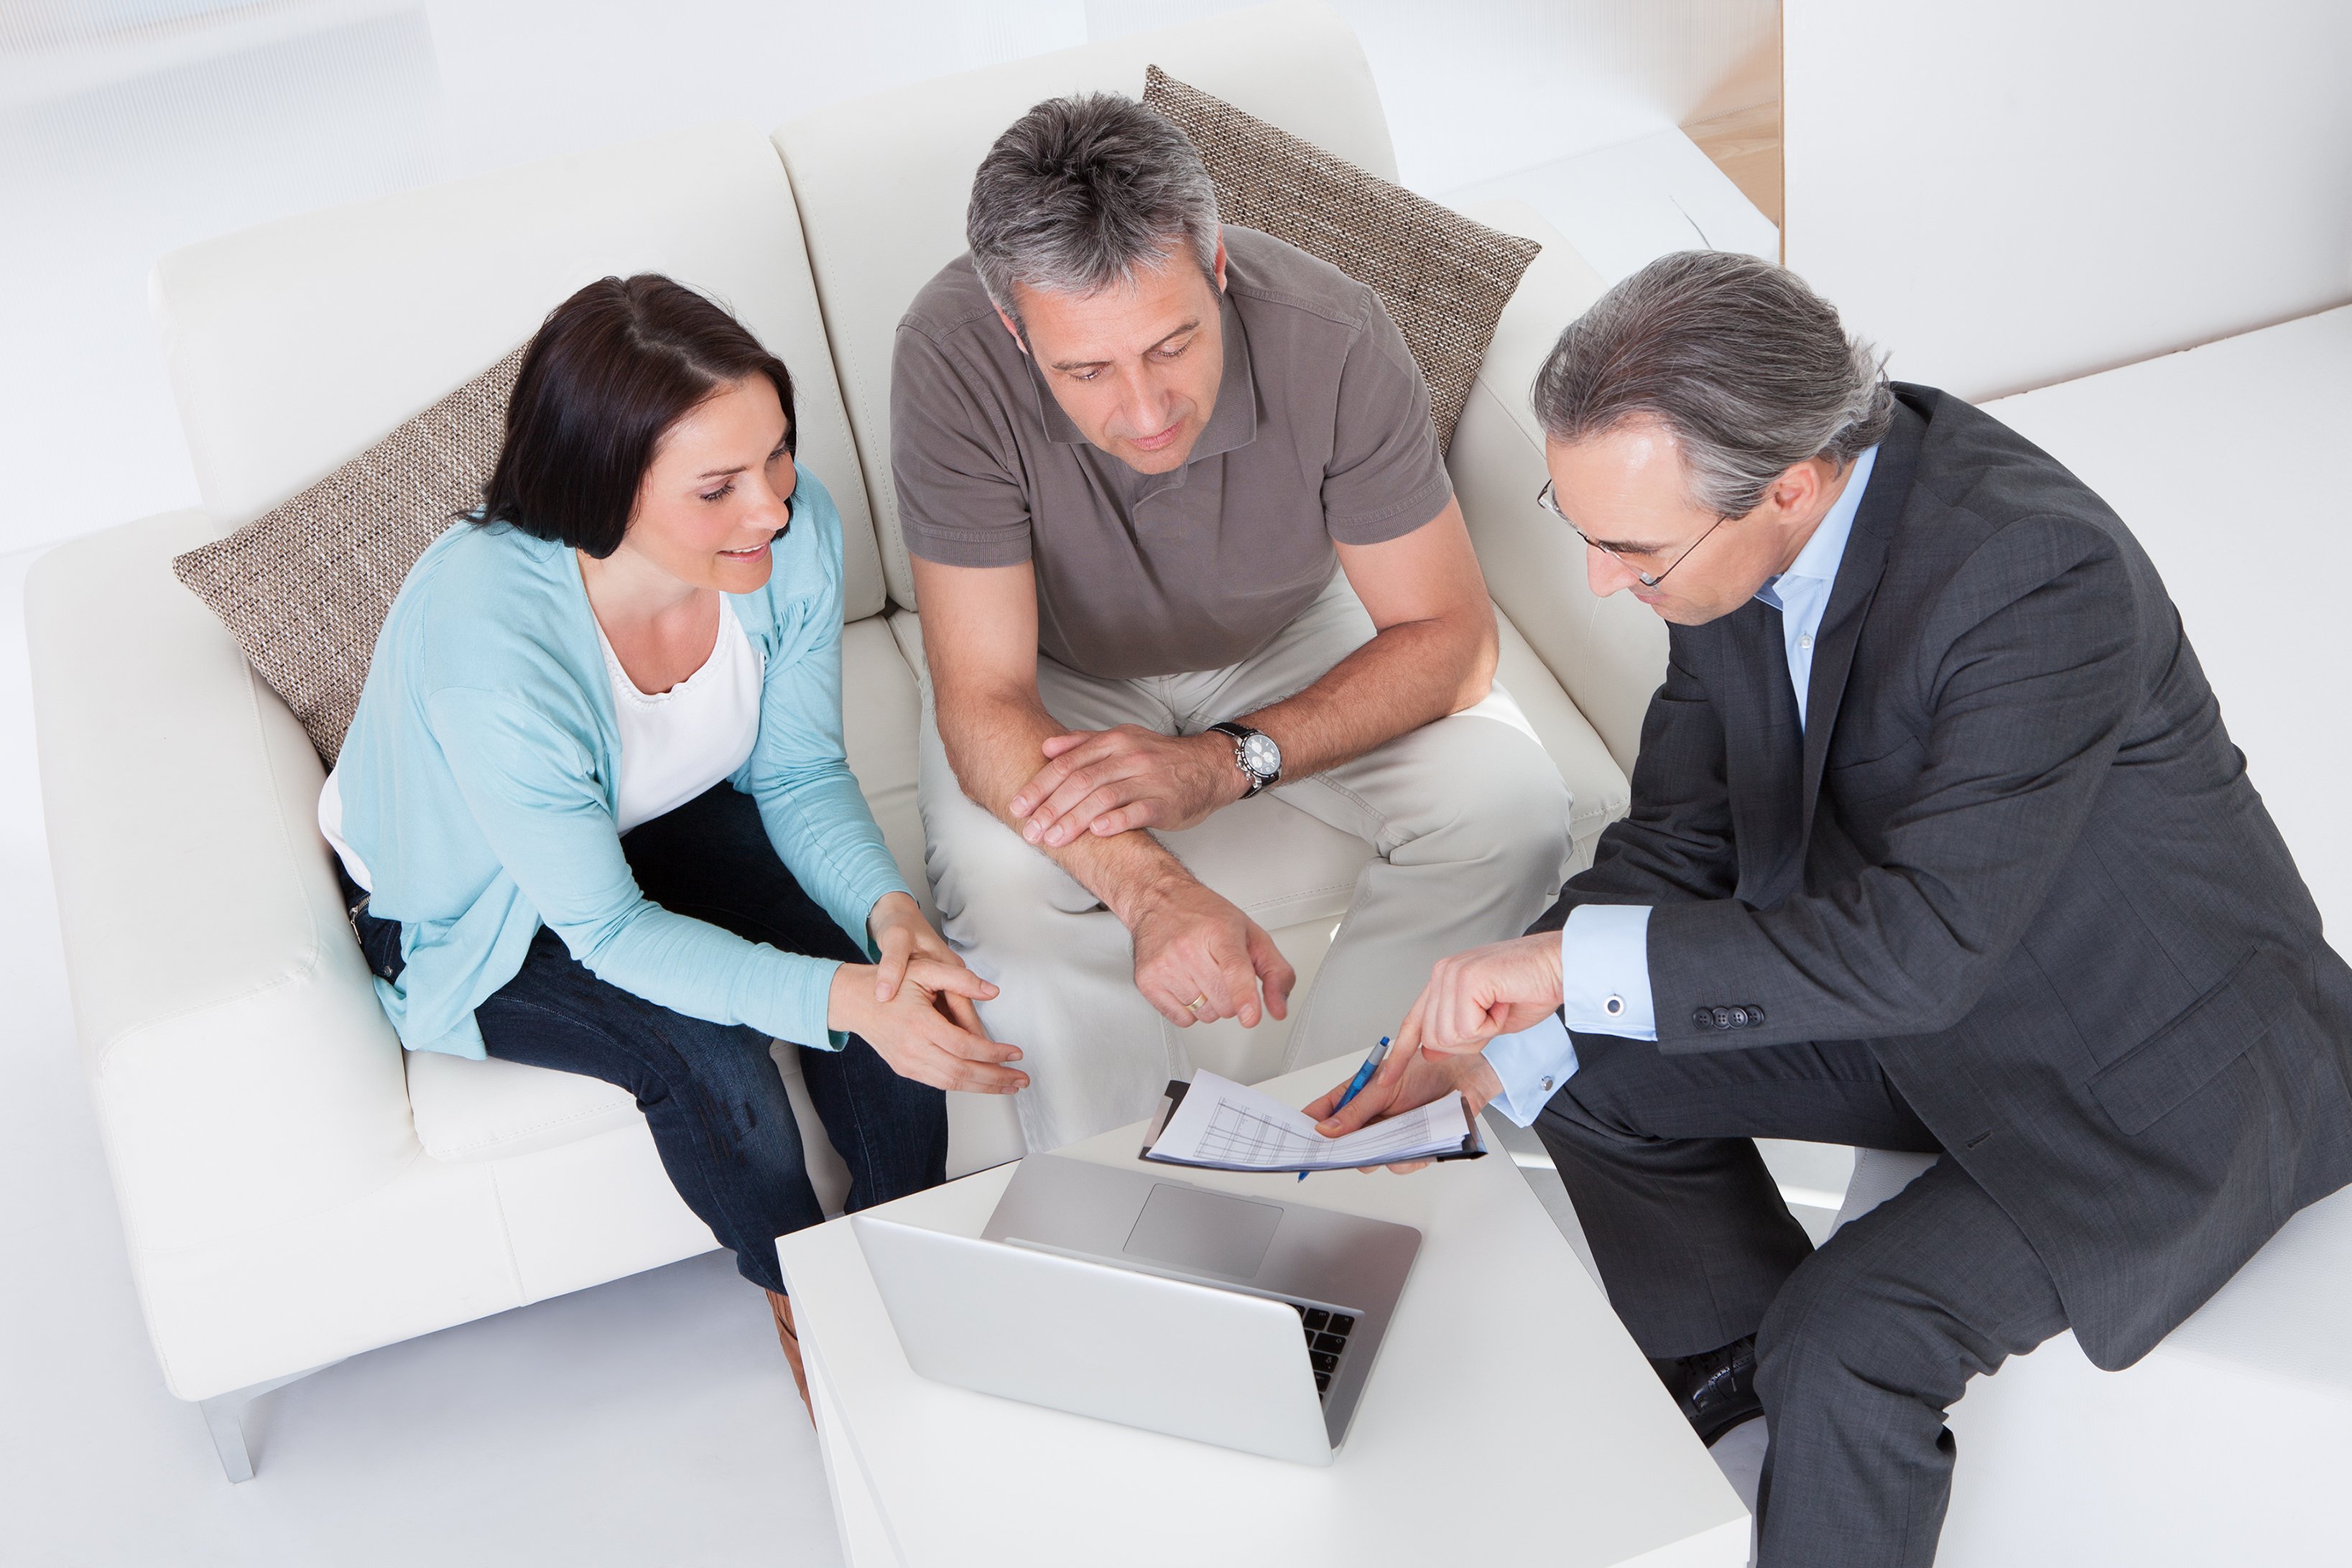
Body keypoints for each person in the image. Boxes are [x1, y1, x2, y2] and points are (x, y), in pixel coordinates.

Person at [1313, 251, 2352, 1566]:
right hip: (1926, 1005)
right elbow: (1685, 831)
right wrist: (1515, 1007)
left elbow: (1922, 953)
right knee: (1569, 1065)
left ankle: (1811, 1410)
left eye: (1628, 550)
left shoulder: (2036, 578)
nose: (1598, 581)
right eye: (1579, 529)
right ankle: (1742, 1393)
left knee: (1851, 1340)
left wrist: (1567, 969)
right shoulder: (1728, 537)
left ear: (1789, 487)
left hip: (2152, 1064)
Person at [320, 275, 1024, 1409]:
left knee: (889, 968)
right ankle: (802, 1293)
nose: (773, 509)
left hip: (652, 814)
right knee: (711, 1060)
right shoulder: (491, 647)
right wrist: (841, 996)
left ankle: (900, 1250)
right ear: (603, 485)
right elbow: (605, 928)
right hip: (478, 903)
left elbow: (797, 772)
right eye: (717, 488)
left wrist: (888, 917)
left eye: (777, 455)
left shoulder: (789, 533)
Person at [893, 93, 1574, 1151]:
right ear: (1015, 330)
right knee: (1004, 886)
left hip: (1290, 633)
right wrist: (1152, 891)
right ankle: (1125, 1193)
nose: (1146, 411)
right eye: (1086, 371)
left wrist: (1224, 763)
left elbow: (1452, 639)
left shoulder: (1335, 332)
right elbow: (982, 697)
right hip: (1057, 669)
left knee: (1513, 806)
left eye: (1172, 345)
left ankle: (1326, 1140)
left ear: (1217, 271)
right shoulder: (947, 353)